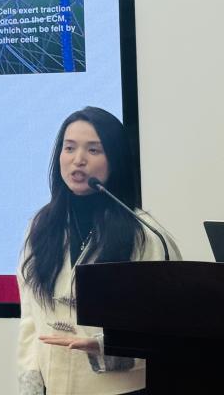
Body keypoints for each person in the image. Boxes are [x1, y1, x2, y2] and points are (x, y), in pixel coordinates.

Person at [17, 106, 179, 395]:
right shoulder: (41, 226)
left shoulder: (144, 234)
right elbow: (30, 316)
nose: (78, 160)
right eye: (69, 148)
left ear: (115, 159)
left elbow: (168, 328)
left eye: (93, 150)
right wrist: (30, 384)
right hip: (54, 385)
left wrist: (108, 347)